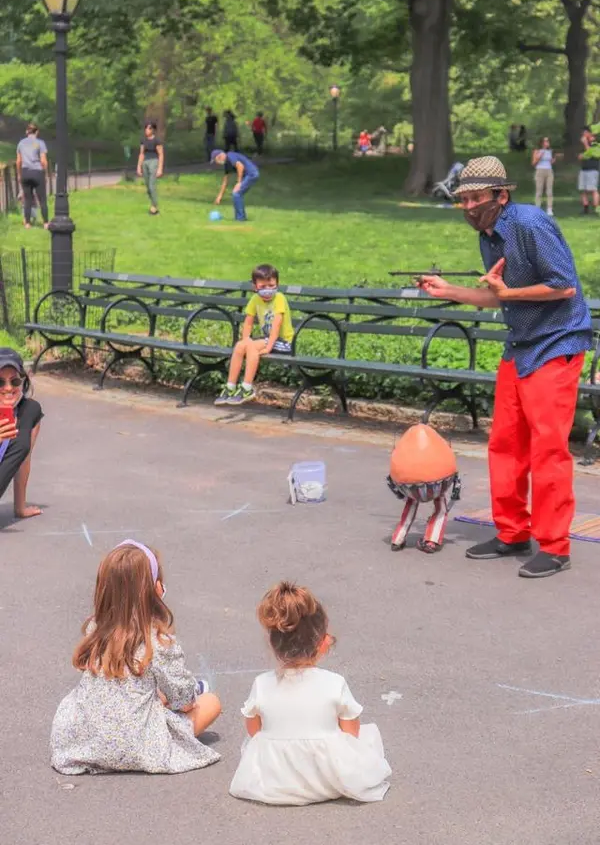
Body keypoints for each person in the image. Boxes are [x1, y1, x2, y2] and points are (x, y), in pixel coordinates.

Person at [418, 156, 592, 580]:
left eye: (476, 198)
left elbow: (563, 286)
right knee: (505, 444)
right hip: (520, 346)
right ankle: (512, 532)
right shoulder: (489, 235)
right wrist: (449, 291)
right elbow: (500, 294)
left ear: (501, 195)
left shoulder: (530, 223)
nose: (469, 207)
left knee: (548, 449)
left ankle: (554, 547)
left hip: (556, 344)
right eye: (463, 200)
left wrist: (508, 291)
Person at [51, 540, 221, 775]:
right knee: (211, 702)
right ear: (156, 590)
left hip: (87, 742)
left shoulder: (96, 629)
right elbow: (183, 699)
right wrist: (183, 699)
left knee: (139, 693)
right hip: (140, 745)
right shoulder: (158, 641)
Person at [229, 581, 391, 805]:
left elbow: (254, 731)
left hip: (275, 778)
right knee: (366, 738)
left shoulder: (262, 684)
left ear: (273, 644)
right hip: (326, 778)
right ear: (321, 642)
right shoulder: (335, 683)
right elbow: (351, 733)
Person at [214, 263, 293, 405]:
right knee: (240, 345)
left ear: (277, 284)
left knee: (251, 347)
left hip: (284, 342)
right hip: (267, 339)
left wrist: (268, 347)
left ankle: (247, 388)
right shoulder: (255, 299)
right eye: (263, 286)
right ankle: (230, 387)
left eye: (271, 285)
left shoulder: (279, 298)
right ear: (255, 287)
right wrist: (245, 340)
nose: (267, 290)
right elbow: (248, 322)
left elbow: (277, 324)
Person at [0, 348, 42, 519]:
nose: (8, 388)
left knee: (21, 442)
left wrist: (20, 508)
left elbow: (23, 459)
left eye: (14, 381)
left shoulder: (29, 411)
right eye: (0, 382)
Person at [15, 123, 49, 230]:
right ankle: (46, 223)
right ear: (37, 132)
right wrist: (45, 173)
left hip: (25, 172)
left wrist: (19, 174)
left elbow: (18, 161)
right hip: (37, 172)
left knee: (27, 199)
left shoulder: (21, 143)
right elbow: (43, 161)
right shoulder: (40, 143)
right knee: (42, 199)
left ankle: (27, 223)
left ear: (27, 132)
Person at [211, 147, 259, 221]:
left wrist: (239, 182)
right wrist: (219, 196)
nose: (216, 163)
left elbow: (240, 166)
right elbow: (225, 181)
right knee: (236, 193)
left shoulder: (230, 156)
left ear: (219, 156)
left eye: (215, 160)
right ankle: (239, 218)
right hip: (248, 175)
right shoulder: (227, 164)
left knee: (236, 193)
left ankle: (241, 218)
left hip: (251, 174)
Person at [136, 121, 164, 215]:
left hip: (154, 162)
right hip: (145, 162)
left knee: (152, 186)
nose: (146, 130)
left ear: (153, 130)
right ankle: (154, 205)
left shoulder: (157, 141)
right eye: (146, 128)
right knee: (148, 187)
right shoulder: (143, 141)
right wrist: (139, 166)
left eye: (149, 128)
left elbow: (161, 154)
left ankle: (154, 207)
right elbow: (141, 153)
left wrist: (160, 168)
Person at [578, 126, 600, 216]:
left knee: (593, 189)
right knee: (583, 190)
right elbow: (581, 156)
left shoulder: (595, 143)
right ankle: (585, 208)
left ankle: (596, 208)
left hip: (592, 169)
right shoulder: (583, 144)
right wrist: (583, 155)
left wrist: (585, 144)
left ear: (589, 133)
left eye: (585, 133)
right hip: (584, 169)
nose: (583, 135)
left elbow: (592, 154)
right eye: (582, 133)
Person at [531, 136, 556, 216]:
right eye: (545, 141)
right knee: (539, 190)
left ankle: (549, 209)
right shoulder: (537, 151)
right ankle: (537, 208)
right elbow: (533, 163)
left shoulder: (550, 151)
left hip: (549, 171)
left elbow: (551, 161)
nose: (547, 143)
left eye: (548, 141)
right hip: (540, 171)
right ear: (541, 143)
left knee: (549, 191)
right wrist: (539, 157)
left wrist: (553, 161)